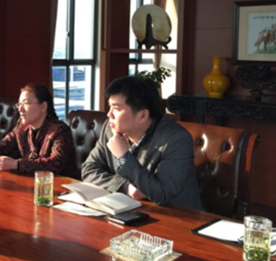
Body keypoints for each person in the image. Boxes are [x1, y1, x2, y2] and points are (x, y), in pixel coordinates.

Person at [82, 75, 203, 209]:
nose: (109, 114)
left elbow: (162, 194)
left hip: (177, 216)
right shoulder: (110, 128)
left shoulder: (176, 139)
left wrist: (124, 157)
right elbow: (88, 169)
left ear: (142, 116)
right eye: (109, 107)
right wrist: (124, 186)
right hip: (127, 210)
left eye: (116, 109)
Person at [0, 83, 75, 176]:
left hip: (56, 184)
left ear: (43, 106)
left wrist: (17, 164)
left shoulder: (60, 130)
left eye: (26, 103)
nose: (20, 109)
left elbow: (55, 164)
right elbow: (5, 144)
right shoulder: (22, 126)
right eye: (19, 104)